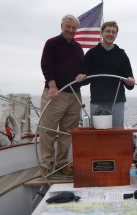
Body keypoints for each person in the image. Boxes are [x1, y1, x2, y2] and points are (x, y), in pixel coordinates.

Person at [39, 14, 84, 176]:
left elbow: (82, 69)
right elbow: (46, 64)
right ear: (61, 26)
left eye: (74, 28)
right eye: (68, 27)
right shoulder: (51, 43)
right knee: (48, 131)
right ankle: (46, 164)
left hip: (75, 95)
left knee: (67, 132)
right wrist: (52, 85)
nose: (71, 30)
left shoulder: (78, 47)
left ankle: (62, 163)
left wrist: (83, 76)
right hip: (55, 94)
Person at [75, 21, 135, 126]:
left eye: (113, 32)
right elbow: (85, 78)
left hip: (117, 101)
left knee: (117, 133)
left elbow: (130, 82)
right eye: (108, 31)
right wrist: (81, 78)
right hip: (97, 101)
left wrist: (130, 82)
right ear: (101, 33)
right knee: (97, 135)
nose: (110, 34)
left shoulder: (122, 55)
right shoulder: (91, 54)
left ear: (116, 35)